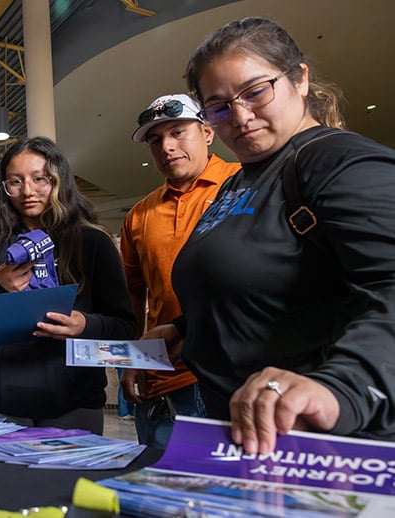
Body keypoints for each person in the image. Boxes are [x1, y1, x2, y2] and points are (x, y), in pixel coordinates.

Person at [145, 16, 395, 454]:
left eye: (256, 91)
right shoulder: (240, 182)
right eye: (219, 106)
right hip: (241, 436)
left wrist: (340, 386)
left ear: (299, 79)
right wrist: (186, 329)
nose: (240, 117)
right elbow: (274, 284)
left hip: (323, 442)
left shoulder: (338, 163)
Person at [0, 136, 137, 434]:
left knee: (70, 483)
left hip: (75, 403)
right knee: (2, 481)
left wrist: (84, 326)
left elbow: (125, 327)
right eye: (15, 181)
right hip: (1, 404)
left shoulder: (93, 242)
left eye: (40, 179)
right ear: (3, 189)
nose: (27, 191)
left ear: (59, 181)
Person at [119, 94, 239, 448]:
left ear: (207, 132)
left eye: (177, 132)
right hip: (163, 381)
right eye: (155, 140)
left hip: (231, 378)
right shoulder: (139, 215)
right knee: (158, 494)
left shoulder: (244, 186)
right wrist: (131, 361)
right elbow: (134, 294)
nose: (166, 147)